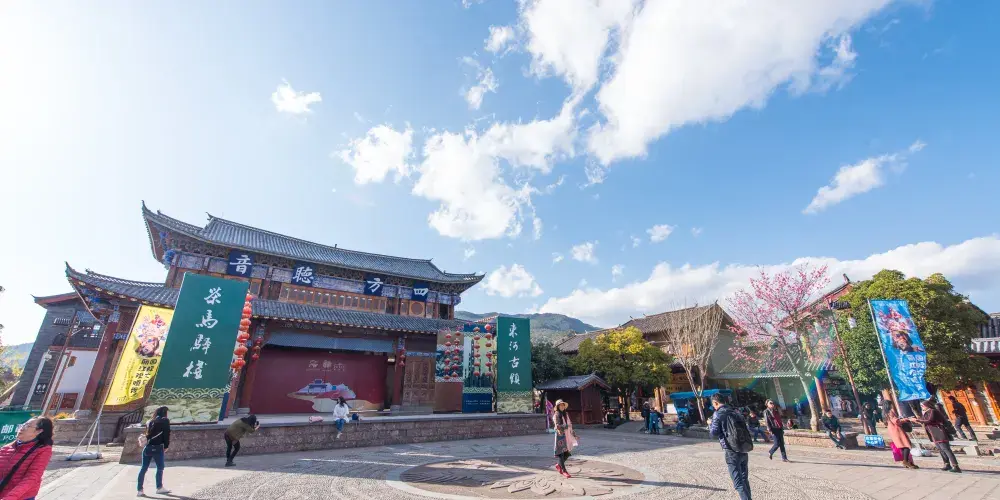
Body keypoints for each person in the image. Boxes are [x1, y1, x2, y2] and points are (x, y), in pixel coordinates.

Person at [709, 393, 753, 500]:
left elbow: (714, 433)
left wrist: (710, 423)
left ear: (715, 403)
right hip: (743, 447)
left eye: (713, 405)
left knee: (738, 482)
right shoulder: (735, 411)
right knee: (744, 479)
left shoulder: (718, 414)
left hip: (731, 450)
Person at [0, 417, 54, 500]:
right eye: (23, 425)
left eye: (27, 426)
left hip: (21, 496)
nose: (21, 428)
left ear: (39, 431)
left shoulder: (43, 450)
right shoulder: (7, 448)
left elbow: (31, 478)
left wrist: (10, 497)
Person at [910, 399, 961, 473]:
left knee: (946, 449)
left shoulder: (932, 411)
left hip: (939, 432)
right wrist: (915, 419)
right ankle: (947, 464)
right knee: (941, 450)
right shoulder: (926, 412)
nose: (922, 407)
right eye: (921, 406)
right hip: (934, 434)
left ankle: (955, 466)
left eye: (922, 405)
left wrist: (917, 420)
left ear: (927, 405)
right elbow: (923, 420)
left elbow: (929, 420)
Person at [137, 406, 171, 497]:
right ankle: (159, 488)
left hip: (147, 447)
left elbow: (148, 434)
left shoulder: (150, 421)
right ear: (165, 413)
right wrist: (166, 446)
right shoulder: (165, 421)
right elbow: (166, 434)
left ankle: (139, 490)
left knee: (143, 468)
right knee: (160, 468)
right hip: (158, 448)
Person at [552, 399, 577, 478]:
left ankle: (559, 465)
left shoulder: (565, 414)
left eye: (563, 405)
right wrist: (566, 426)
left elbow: (570, 425)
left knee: (567, 453)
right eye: (560, 405)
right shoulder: (556, 415)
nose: (562, 406)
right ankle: (564, 470)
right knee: (561, 454)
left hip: (567, 435)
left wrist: (574, 434)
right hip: (560, 436)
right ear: (558, 407)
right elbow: (557, 426)